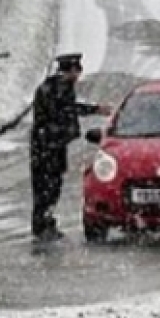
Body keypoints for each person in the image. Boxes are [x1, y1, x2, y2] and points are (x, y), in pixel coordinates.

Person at [30, 53, 111, 241]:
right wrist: (93, 110)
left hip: (50, 145)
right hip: (48, 146)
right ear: (72, 70)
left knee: (49, 185)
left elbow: (67, 108)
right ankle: (42, 225)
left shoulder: (55, 86)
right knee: (48, 186)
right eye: (77, 71)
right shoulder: (57, 88)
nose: (78, 76)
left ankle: (44, 222)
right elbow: (65, 110)